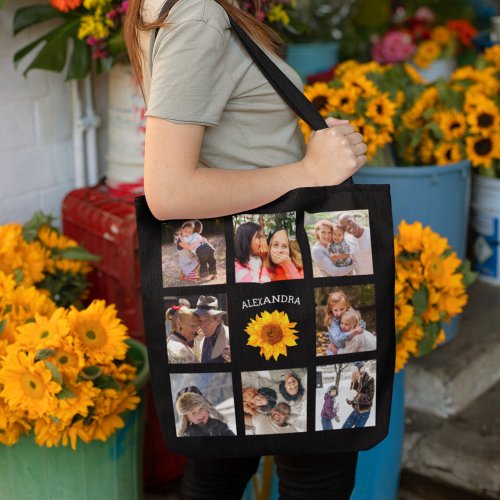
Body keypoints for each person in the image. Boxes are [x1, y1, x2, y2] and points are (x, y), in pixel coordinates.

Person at [126, 0, 366, 494]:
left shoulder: (195, 9)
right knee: (312, 473)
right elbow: (169, 192)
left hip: (251, 280)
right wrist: (310, 172)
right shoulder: (199, 14)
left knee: (221, 464)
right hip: (265, 286)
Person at [192, 296, 231, 363]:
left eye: (207, 320)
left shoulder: (229, 335)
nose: (202, 326)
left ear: (218, 320)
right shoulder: (198, 339)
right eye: (200, 321)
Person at [324, 291, 364, 356]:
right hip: (337, 348)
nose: (339, 313)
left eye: (342, 309)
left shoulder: (349, 312)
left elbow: (360, 321)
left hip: (350, 345)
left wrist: (360, 327)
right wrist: (354, 331)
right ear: (331, 309)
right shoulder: (331, 321)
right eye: (335, 310)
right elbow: (338, 337)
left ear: (346, 306)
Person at [342, 362, 375, 429]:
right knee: (345, 427)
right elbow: (350, 397)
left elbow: (369, 398)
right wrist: (349, 399)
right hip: (355, 410)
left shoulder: (369, 380)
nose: (354, 374)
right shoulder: (354, 380)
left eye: (356, 372)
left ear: (361, 371)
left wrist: (357, 395)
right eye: (354, 373)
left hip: (364, 412)